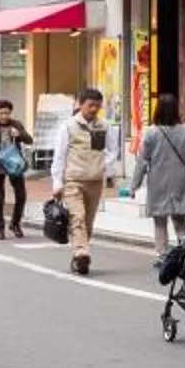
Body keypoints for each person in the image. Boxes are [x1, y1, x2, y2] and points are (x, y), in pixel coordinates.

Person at [47, 86, 117, 274]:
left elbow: (113, 151)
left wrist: (103, 166)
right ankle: (81, 253)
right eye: (90, 105)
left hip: (95, 181)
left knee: (88, 221)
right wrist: (57, 182)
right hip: (73, 180)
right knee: (77, 217)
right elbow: (59, 156)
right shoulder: (68, 126)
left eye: (97, 106)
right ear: (80, 104)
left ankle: (79, 255)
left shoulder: (104, 126)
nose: (94, 109)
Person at [133, 94, 185, 253]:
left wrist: (134, 185)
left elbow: (142, 161)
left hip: (157, 182)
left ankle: (162, 254)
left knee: (159, 221)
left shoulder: (150, 132)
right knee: (180, 219)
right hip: (180, 181)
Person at [0, 98, 34, 240]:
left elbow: (29, 139)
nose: (4, 116)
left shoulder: (16, 124)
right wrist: (2, 149)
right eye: (1, 113)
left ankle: (15, 224)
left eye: (7, 113)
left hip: (14, 163)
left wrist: (19, 134)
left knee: (21, 195)